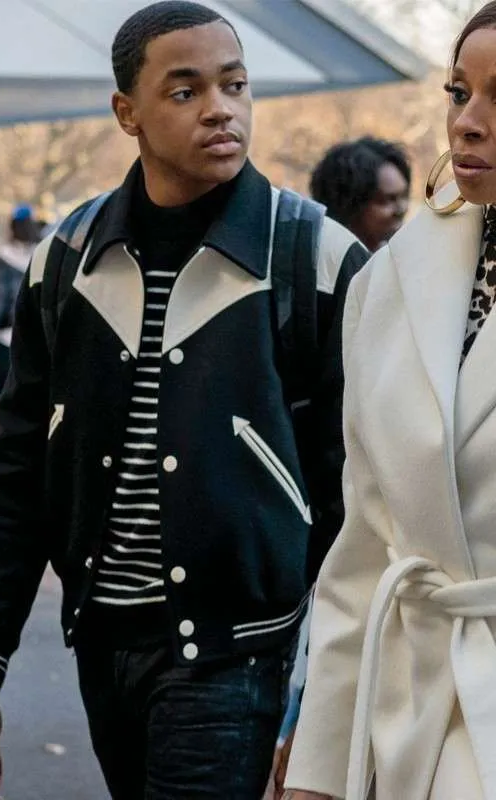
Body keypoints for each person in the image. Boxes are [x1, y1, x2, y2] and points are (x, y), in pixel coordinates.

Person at [0, 3, 367, 799]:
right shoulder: (66, 261)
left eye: (235, 84)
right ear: (126, 112)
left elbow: (359, 498)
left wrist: (329, 689)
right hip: (103, 644)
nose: (220, 109)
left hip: (237, 651)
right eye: (185, 91)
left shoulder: (314, 256)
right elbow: (18, 475)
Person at [282, 4, 496, 799]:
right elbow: (364, 549)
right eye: (458, 92)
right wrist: (318, 769)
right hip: (410, 715)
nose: (468, 122)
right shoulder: (389, 280)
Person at [310, 136, 411, 253]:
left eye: (404, 196)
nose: (401, 209)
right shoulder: (319, 260)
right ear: (349, 207)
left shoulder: (398, 258)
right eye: (387, 200)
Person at [0, 204, 39, 395]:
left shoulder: (2, 259)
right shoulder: (45, 256)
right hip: (38, 339)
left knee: (6, 397)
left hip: (7, 338)